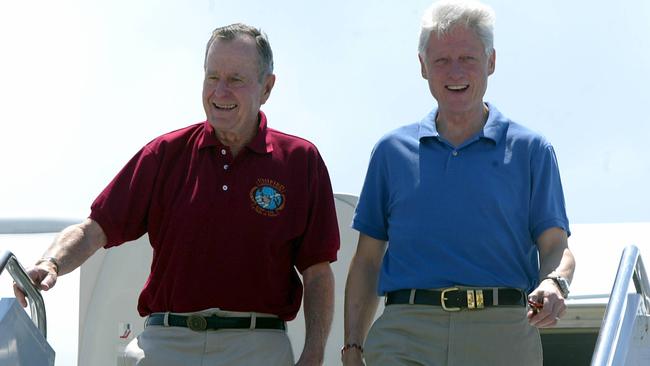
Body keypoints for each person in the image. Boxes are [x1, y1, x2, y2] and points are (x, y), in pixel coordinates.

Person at [14, 23, 339, 366]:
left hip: (256, 346)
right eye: (212, 77)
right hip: (166, 343)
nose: (220, 92)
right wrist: (51, 262)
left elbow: (317, 270)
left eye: (236, 79)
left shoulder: (301, 161)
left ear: (267, 87)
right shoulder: (164, 155)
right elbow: (95, 228)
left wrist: (314, 353)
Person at [342, 1, 575, 365]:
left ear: (491, 62)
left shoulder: (532, 150)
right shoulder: (390, 152)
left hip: (502, 336)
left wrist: (555, 282)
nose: (455, 72)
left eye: (467, 58)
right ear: (422, 67)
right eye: (441, 60)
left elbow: (556, 247)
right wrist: (353, 345)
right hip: (405, 334)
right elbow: (367, 261)